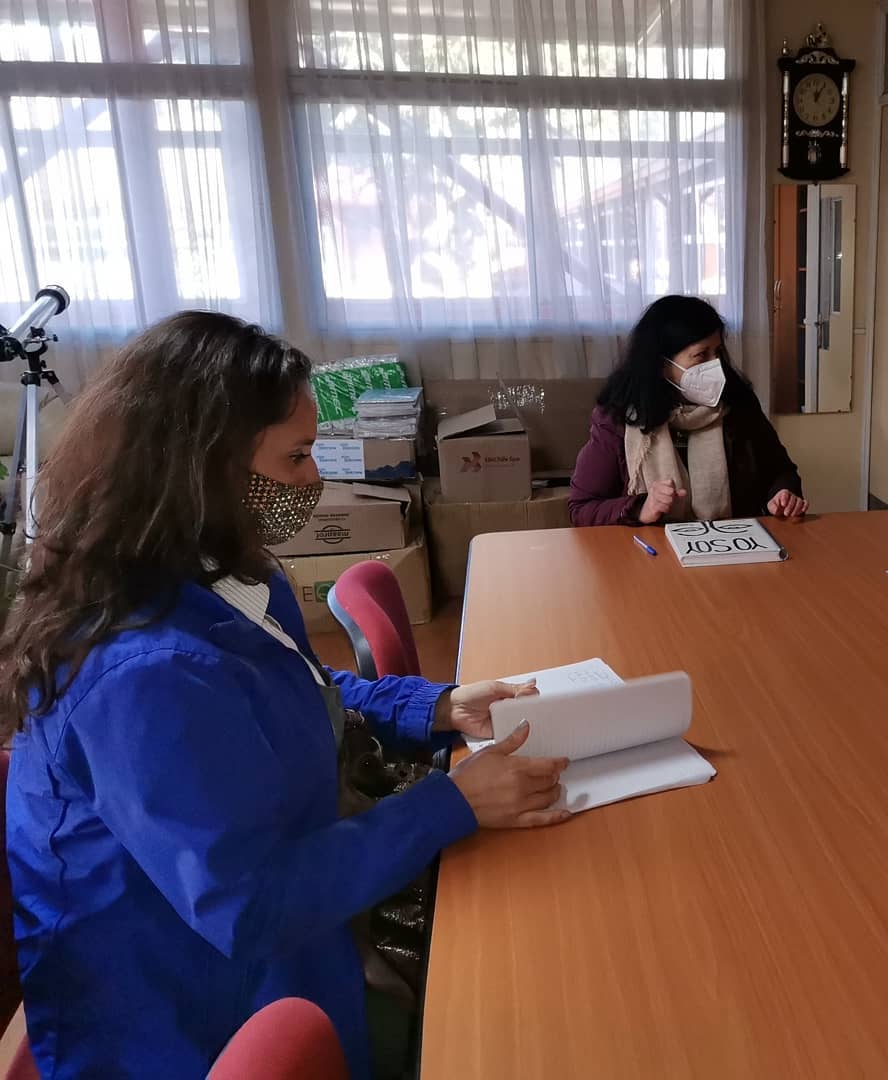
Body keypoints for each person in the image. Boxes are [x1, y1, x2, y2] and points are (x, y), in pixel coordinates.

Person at [0, 312, 571, 1079]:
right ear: (201, 467)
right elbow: (250, 906)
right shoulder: (144, 677)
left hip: (288, 931)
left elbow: (293, 688)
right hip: (188, 1016)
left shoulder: (222, 575)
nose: (314, 478)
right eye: (296, 456)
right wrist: (453, 803)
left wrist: (432, 707)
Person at [569, 295, 807, 526]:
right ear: (662, 364)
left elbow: (781, 471)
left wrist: (783, 495)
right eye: (701, 355)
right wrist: (641, 508)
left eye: (718, 353)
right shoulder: (620, 418)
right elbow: (582, 508)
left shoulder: (738, 403)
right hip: (650, 554)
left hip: (730, 548)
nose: (715, 366)